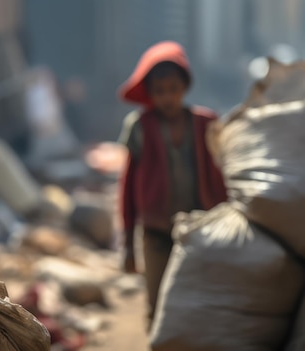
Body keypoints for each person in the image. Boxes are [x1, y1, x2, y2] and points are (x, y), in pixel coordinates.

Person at [117, 41, 227, 326]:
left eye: (173, 89)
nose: (167, 98)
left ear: (185, 87)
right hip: (156, 233)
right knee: (159, 308)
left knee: (201, 305)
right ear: (151, 94)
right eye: (159, 92)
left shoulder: (206, 124)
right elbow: (128, 188)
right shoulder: (141, 127)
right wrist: (128, 243)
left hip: (201, 230)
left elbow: (222, 176)